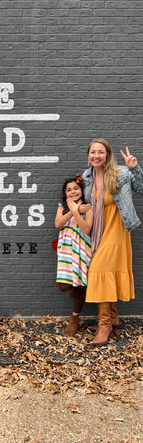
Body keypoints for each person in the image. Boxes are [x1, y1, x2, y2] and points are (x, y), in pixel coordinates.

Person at [82, 138, 143, 345]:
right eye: (93, 152)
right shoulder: (87, 176)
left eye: (100, 152)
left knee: (99, 270)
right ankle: (113, 317)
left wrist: (135, 169)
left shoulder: (121, 173)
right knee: (104, 270)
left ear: (107, 155)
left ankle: (104, 325)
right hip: (98, 231)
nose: (96, 156)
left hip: (116, 228)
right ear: (88, 155)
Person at [55, 174, 93, 335]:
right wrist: (74, 209)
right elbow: (58, 223)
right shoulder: (61, 207)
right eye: (68, 190)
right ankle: (73, 287)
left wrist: (77, 211)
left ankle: (74, 318)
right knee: (63, 286)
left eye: (76, 188)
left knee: (80, 286)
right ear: (65, 194)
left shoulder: (88, 207)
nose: (72, 192)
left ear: (82, 190)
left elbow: (86, 229)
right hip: (66, 249)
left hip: (82, 248)